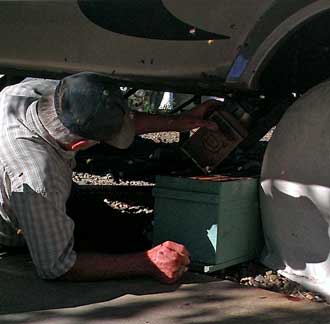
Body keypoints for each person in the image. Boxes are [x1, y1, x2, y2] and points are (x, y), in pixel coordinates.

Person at [0, 72, 218, 283]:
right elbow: (57, 266)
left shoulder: (33, 92)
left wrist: (180, 121)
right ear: (80, 145)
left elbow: (109, 119)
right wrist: (147, 262)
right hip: (13, 231)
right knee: (116, 236)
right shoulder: (40, 178)